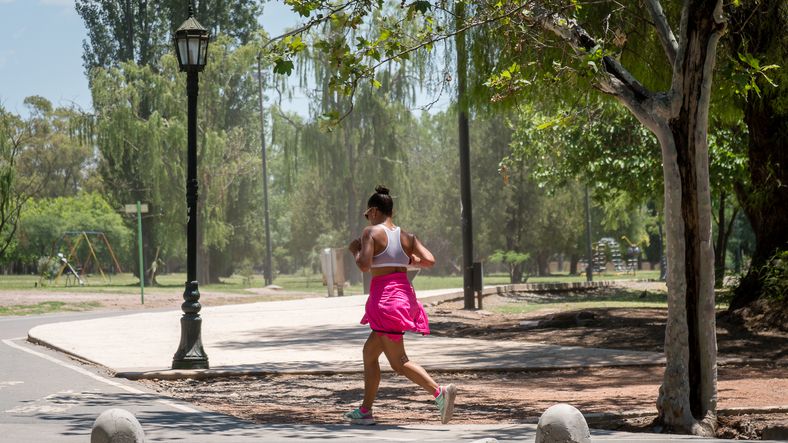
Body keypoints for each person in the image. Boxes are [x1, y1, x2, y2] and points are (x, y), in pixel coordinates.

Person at [344, 185, 457, 426]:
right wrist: (408, 258)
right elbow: (430, 260)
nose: (367, 218)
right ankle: (365, 410)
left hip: (385, 301)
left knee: (399, 362)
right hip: (404, 297)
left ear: (374, 211)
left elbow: (364, 265)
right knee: (369, 353)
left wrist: (355, 250)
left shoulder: (371, 233)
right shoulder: (407, 236)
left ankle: (439, 392)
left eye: (367, 214)